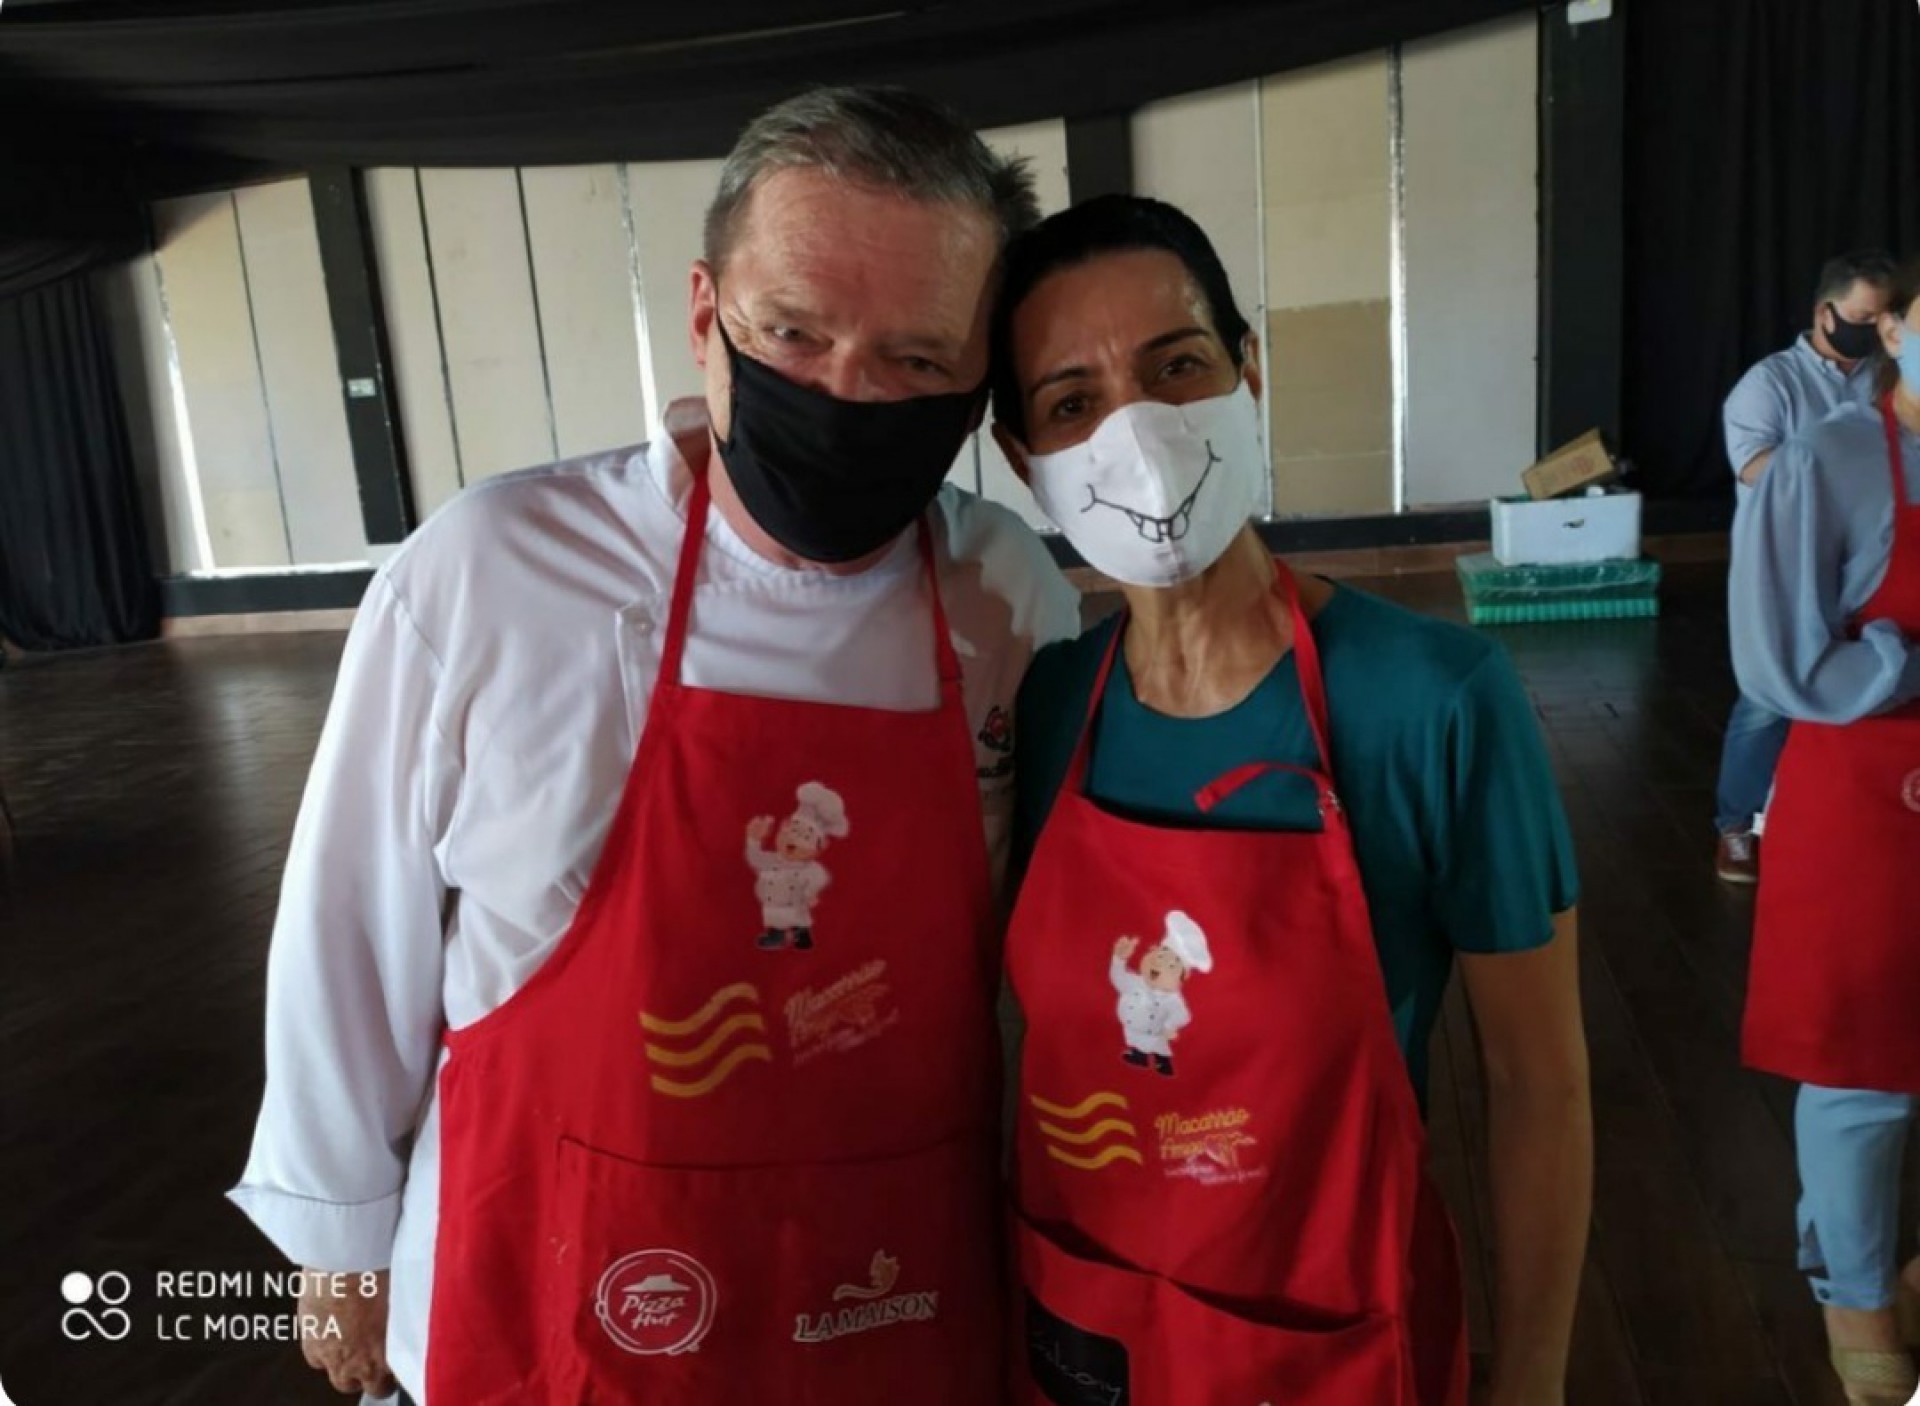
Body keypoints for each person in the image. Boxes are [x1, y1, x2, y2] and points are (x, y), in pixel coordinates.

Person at [228, 86, 1080, 1406]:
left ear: (979, 378)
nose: (846, 393)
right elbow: (350, 927)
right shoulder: (494, 571)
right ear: (703, 312)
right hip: (564, 1277)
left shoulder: (1009, 594)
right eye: (793, 331)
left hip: (891, 1283)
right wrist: (341, 1245)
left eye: (915, 360)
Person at [991, 195, 1592, 1405]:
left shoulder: (1434, 702)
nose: (1140, 431)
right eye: (1074, 403)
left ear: (1246, 374)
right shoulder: (1048, 703)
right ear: (1026, 462)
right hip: (1083, 1335)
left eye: (1177, 368)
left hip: (1320, 1347)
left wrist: (1528, 1381)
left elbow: (1538, 1082)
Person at [1733, 255, 1920, 1406]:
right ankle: (1854, 1288)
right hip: (1865, 786)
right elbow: (1778, 661)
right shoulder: (1830, 460)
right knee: (1863, 1061)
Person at [1715, 251, 1895, 884]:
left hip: (1868, 563)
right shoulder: (1770, 384)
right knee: (1769, 697)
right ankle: (1736, 826)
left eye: (1883, 320)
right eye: (1859, 317)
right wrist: (1833, 472)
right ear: (1824, 313)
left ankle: (1852, 818)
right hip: (1787, 567)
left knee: (1870, 685)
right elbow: (1754, 467)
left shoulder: (1886, 378)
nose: (1872, 331)